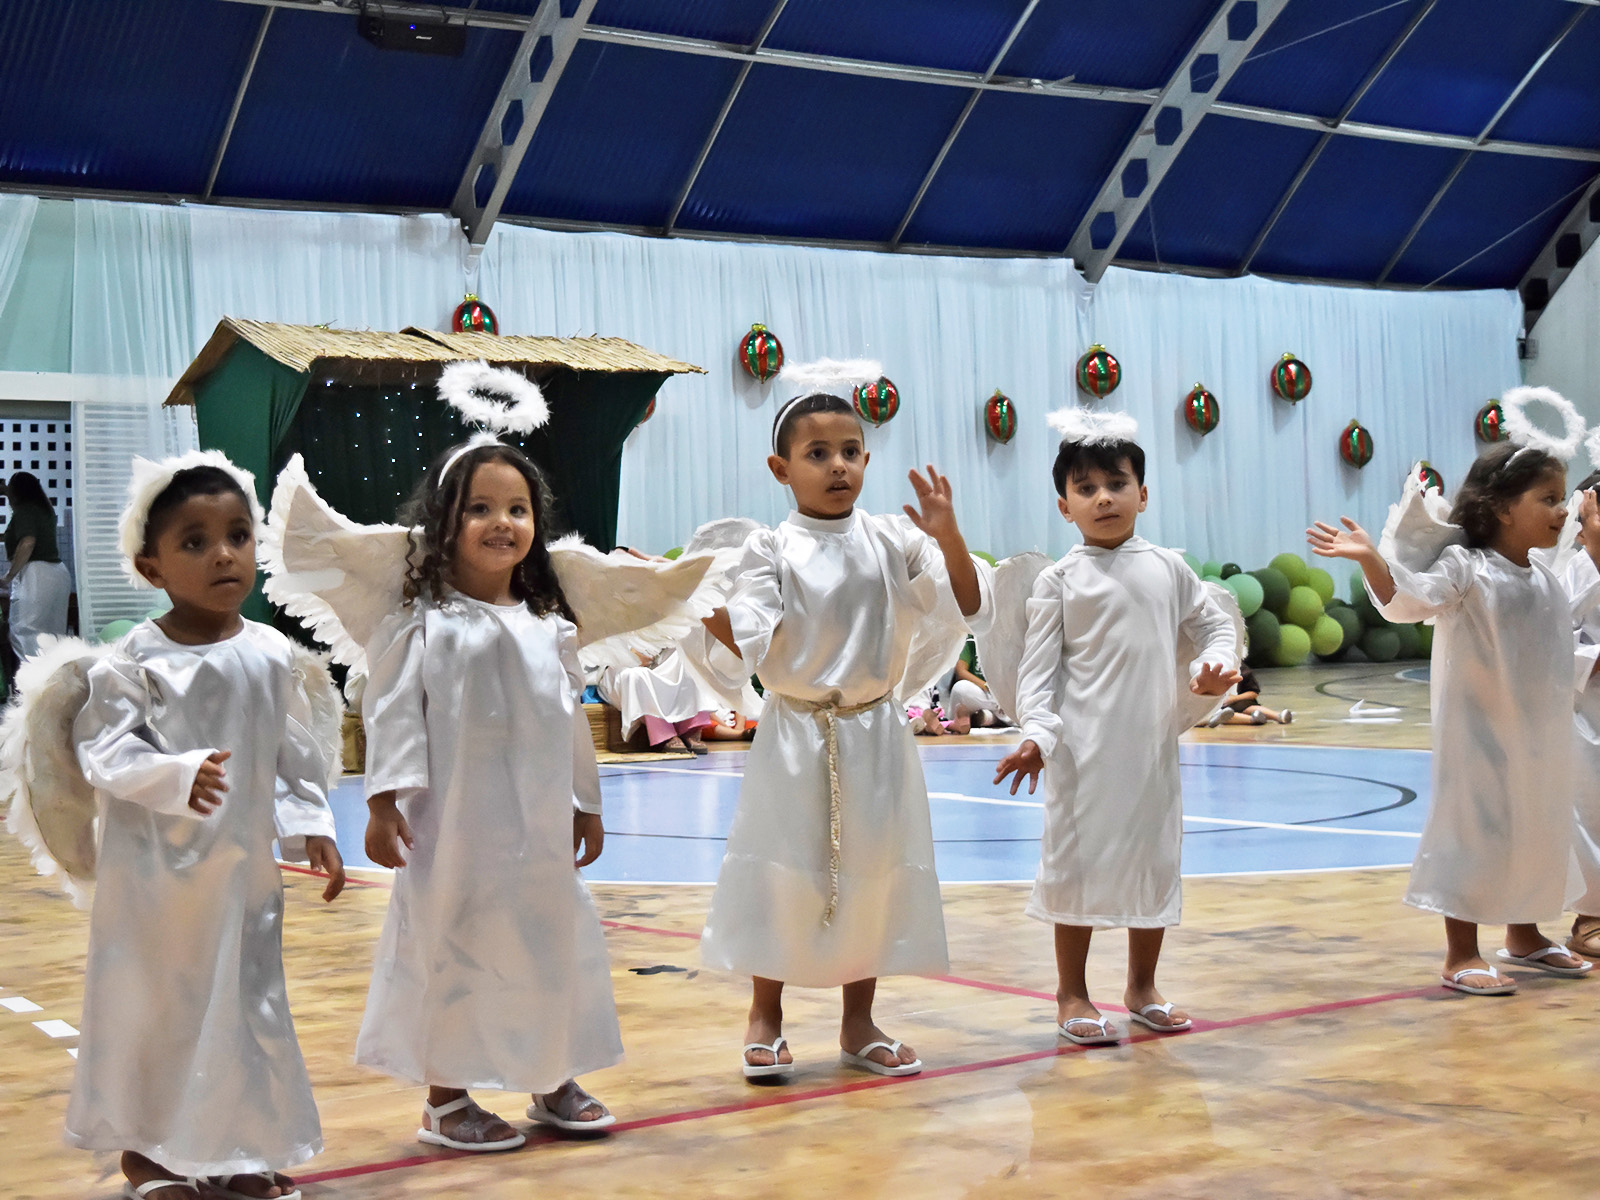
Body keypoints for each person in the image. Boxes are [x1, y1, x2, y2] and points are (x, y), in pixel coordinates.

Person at [69, 453, 345, 1200]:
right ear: (151, 567)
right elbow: (102, 750)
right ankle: (150, 1155)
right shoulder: (134, 660)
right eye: (195, 542)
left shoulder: (271, 653)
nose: (223, 554)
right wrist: (177, 774)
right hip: (155, 880)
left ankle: (235, 1145)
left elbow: (293, 754)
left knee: (246, 1006)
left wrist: (312, 825)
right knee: (158, 1007)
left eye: (237, 536)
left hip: (242, 877)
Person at [699, 389, 984, 1079]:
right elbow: (746, 635)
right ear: (781, 468)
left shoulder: (892, 539)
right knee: (781, 871)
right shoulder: (771, 548)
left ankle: (860, 1021)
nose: (838, 466)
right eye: (818, 453)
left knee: (871, 873)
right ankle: (765, 1015)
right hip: (796, 733)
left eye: (851, 452)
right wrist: (693, 602)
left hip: (875, 731)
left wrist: (948, 535)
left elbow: (967, 603)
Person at [357, 438, 623, 1150]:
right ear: (444, 522)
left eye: (517, 509)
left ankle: (551, 1074)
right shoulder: (423, 623)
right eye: (479, 508)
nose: (501, 522)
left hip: (537, 830)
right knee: (454, 944)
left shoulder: (549, 628)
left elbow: (570, 722)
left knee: (545, 942)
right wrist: (382, 804)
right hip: (453, 830)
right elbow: (391, 715)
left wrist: (587, 803)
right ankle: (445, 1099)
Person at [1309, 440, 1600, 995]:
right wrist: (1371, 558)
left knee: (1536, 825)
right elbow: (1409, 599)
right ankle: (1460, 951)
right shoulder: (1468, 568)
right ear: (1502, 507)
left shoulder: (1543, 575)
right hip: (1478, 734)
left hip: (1536, 734)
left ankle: (1524, 934)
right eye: (1548, 498)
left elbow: (1558, 651)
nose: (1563, 511)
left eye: (1563, 498)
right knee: (1474, 831)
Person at [992, 408, 1239, 1044]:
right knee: (1074, 869)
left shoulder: (1169, 568)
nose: (1104, 497)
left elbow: (1213, 626)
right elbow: (1037, 675)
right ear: (1065, 506)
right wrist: (1037, 736)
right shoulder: (1059, 581)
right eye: (1086, 488)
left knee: (1151, 863)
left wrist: (1214, 666)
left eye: (1117, 483)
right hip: (1081, 755)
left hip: (1150, 751)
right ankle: (1071, 992)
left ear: (1143, 494)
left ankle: (1142, 987)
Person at [1564, 469, 1600, 959]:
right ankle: (1592, 914)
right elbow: (1549, 636)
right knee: (1592, 810)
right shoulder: (1571, 571)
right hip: (1587, 712)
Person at [3, 470, 71, 661]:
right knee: (53, 635)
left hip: (36, 574)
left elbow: (27, 543)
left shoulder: (25, 511)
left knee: (26, 633)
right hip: (57, 573)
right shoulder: (45, 510)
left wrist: (9, 576)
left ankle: (34, 678)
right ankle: (54, 677)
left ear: (17, 492)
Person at [1202, 665, 1292, 726]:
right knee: (1221, 714)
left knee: (1249, 707)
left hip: (1239, 703)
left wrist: (1233, 699)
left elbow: (1253, 693)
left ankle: (1278, 716)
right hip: (1217, 707)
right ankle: (1253, 719)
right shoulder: (1205, 669)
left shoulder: (1243, 670)